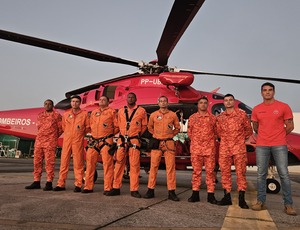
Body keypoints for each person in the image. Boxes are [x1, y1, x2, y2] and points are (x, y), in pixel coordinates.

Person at [251, 82, 297, 216]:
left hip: (279, 144)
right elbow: (255, 127)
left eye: (270, 90)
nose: (267, 92)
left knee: (284, 174)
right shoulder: (256, 109)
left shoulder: (283, 107)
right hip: (262, 145)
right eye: (265, 90)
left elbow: (290, 126)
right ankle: (261, 201)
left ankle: (288, 205)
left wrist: (279, 135)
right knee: (261, 174)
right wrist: (265, 136)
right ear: (261, 93)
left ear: (274, 92)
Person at [107, 92, 147, 198]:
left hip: (134, 140)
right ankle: (116, 187)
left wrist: (135, 135)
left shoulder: (141, 111)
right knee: (119, 164)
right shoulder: (121, 111)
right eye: (129, 97)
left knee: (134, 165)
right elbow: (118, 125)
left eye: (132, 97)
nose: (130, 99)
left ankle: (134, 189)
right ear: (126, 99)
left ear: (136, 99)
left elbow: (144, 126)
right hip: (122, 140)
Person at [216, 94, 253, 209]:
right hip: (224, 149)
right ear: (224, 103)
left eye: (230, 100)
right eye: (226, 100)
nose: (228, 102)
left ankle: (242, 199)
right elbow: (218, 133)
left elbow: (248, 130)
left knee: (241, 173)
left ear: (234, 101)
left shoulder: (242, 114)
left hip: (239, 149)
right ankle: (227, 197)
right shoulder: (220, 117)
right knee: (225, 173)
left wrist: (239, 140)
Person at [143, 96, 181, 201]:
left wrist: (170, 135)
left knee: (170, 168)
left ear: (167, 103)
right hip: (156, 143)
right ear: (158, 103)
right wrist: (155, 134)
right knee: (153, 167)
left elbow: (177, 128)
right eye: (161, 101)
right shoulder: (154, 115)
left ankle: (172, 192)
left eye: (165, 101)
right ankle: (150, 190)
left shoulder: (173, 115)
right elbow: (149, 127)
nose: (163, 103)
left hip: (168, 143)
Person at [53, 95, 90, 192]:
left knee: (78, 163)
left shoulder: (84, 114)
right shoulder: (66, 114)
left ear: (80, 103)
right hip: (67, 140)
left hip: (78, 141)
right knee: (64, 163)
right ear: (71, 103)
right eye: (73, 101)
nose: (74, 103)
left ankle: (78, 184)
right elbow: (64, 127)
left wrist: (80, 133)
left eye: (77, 101)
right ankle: (61, 184)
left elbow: (87, 127)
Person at [82, 96, 118, 194]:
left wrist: (109, 134)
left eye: (104, 100)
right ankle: (88, 187)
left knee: (108, 164)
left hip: (106, 140)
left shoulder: (112, 112)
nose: (102, 101)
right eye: (100, 99)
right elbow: (89, 126)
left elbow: (117, 126)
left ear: (108, 102)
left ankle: (108, 187)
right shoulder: (94, 112)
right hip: (93, 140)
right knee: (89, 164)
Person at [25, 99, 63, 191]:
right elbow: (39, 127)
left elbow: (61, 128)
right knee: (37, 162)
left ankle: (49, 182)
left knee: (49, 163)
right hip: (39, 142)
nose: (47, 105)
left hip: (50, 142)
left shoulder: (57, 115)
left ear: (52, 106)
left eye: (49, 104)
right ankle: (36, 181)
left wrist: (53, 136)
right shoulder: (40, 115)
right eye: (46, 104)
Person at [187, 96, 218, 204]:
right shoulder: (192, 118)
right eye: (201, 103)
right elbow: (189, 133)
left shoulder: (213, 118)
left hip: (209, 150)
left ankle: (211, 195)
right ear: (198, 105)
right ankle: (195, 194)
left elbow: (216, 133)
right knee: (196, 172)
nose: (203, 104)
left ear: (207, 104)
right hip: (196, 150)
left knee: (210, 173)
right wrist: (197, 142)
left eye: (205, 102)